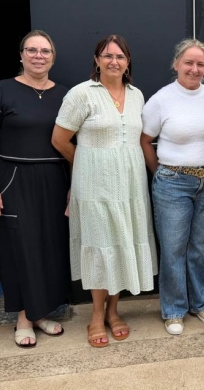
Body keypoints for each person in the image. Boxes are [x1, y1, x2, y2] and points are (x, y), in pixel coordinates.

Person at [51, 34, 157, 348]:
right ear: (97, 60)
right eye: (107, 55)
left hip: (130, 186)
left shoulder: (137, 95)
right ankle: (96, 315)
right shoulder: (81, 94)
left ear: (128, 63)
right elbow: (60, 140)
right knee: (101, 246)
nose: (114, 61)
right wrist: (86, 164)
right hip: (95, 187)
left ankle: (114, 310)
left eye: (120, 56)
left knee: (123, 244)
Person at [0, 30, 70, 348]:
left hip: (54, 179)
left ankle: (41, 313)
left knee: (49, 246)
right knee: (19, 248)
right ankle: (24, 317)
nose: (38, 56)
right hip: (14, 179)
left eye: (45, 51)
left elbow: (72, 144)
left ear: (53, 57)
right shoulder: (3, 90)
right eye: (32, 50)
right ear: (21, 55)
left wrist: (73, 187)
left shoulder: (65, 95)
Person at [140, 39, 204, 335]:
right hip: (173, 183)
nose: (194, 69)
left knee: (199, 247)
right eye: (188, 62)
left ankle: (200, 304)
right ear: (176, 64)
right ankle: (173, 309)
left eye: (200, 64)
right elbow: (145, 140)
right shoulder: (162, 99)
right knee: (173, 248)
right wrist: (159, 172)